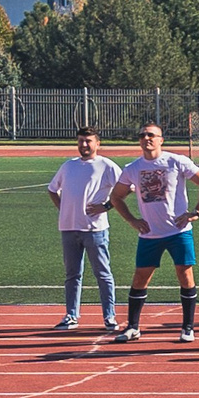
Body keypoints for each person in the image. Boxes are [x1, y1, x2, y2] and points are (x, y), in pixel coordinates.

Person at [106, 122, 199, 343]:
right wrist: (131, 220)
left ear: (160, 139)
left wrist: (196, 212)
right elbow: (116, 197)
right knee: (140, 278)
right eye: (143, 135)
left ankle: (187, 327)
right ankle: (133, 327)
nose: (147, 138)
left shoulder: (176, 161)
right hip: (150, 235)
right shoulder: (132, 168)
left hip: (179, 232)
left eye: (151, 135)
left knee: (185, 276)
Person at [46, 127, 122, 332]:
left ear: (98, 144)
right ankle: (71, 315)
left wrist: (106, 206)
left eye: (88, 141)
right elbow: (52, 189)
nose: (84, 145)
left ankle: (109, 317)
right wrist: (64, 209)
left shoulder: (106, 166)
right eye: (81, 141)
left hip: (95, 229)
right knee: (72, 275)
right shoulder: (68, 166)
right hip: (69, 229)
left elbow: (126, 188)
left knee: (103, 274)